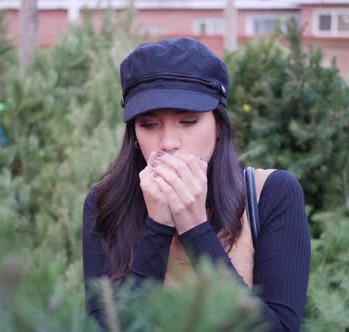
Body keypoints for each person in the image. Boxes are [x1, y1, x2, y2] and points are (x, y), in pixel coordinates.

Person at [82, 37, 311, 331]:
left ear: (218, 126)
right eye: (149, 125)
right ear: (133, 134)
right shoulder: (105, 203)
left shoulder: (270, 194)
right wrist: (158, 227)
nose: (168, 143)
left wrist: (195, 227)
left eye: (187, 121)